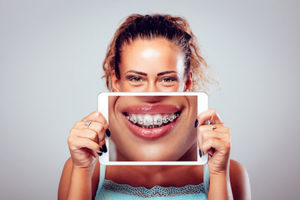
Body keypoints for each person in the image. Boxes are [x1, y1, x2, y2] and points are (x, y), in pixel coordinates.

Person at [58, 14, 251, 200]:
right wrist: (82, 169)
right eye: (135, 78)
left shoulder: (230, 172)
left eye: (167, 79)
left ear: (187, 83)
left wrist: (217, 173)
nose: (151, 94)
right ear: (116, 82)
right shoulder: (84, 167)